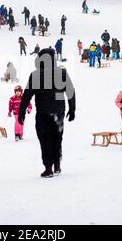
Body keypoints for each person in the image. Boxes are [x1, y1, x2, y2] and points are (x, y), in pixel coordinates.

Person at [18, 48, 76, 177]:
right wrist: (72, 109)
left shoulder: (36, 75)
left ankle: (48, 167)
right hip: (58, 112)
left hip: (43, 113)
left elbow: (27, 95)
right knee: (57, 138)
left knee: (45, 140)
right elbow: (71, 91)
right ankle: (57, 164)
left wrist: (21, 112)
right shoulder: (62, 72)